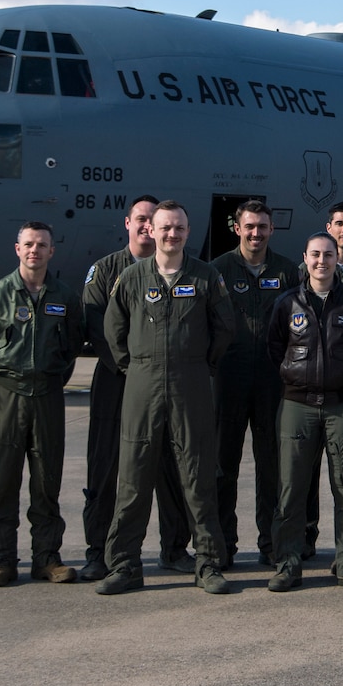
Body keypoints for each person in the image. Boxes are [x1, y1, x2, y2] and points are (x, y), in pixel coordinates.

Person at [96, 201, 238, 596]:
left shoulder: (206, 277)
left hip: (190, 382)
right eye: (165, 228)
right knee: (135, 477)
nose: (171, 234)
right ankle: (124, 565)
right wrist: (134, 366)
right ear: (151, 231)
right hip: (143, 382)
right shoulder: (131, 277)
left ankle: (208, 563)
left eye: (179, 228)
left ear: (187, 232)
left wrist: (200, 364)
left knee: (197, 476)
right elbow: (114, 329)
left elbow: (225, 328)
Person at [79, 197, 195, 580]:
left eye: (153, 221)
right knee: (107, 466)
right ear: (127, 223)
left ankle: (174, 547)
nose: (147, 226)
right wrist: (130, 366)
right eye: (140, 219)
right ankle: (99, 551)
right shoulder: (106, 270)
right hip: (116, 382)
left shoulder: (176, 271)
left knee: (171, 466)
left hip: (164, 383)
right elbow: (97, 325)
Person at [0, 222, 83, 586]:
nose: (35, 250)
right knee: (2, 482)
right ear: (17, 249)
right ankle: (2, 561)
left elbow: (73, 345)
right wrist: (0, 381)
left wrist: (48, 377)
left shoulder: (64, 296)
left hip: (47, 395)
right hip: (7, 395)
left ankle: (47, 558)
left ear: (51, 251)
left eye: (42, 245)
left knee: (47, 481)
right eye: (28, 244)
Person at [263, 232, 343, 592]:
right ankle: (287, 563)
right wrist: (293, 375)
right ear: (305, 257)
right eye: (315, 254)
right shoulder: (287, 303)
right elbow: (274, 347)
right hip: (297, 405)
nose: (321, 261)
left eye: (328, 255)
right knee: (291, 489)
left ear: (337, 259)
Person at [210, 199, 303, 567]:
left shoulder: (287, 272)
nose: (255, 233)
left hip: (272, 381)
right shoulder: (217, 270)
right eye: (249, 226)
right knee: (222, 466)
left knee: (272, 467)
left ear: (271, 230)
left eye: (262, 227)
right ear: (237, 228)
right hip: (228, 382)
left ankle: (272, 543)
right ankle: (222, 544)